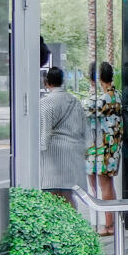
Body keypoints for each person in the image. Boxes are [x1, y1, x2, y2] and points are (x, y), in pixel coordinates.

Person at [34, 64, 88, 197]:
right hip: (74, 154)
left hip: (53, 157)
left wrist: (37, 151)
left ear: (46, 83)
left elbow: (45, 133)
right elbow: (85, 129)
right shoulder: (75, 101)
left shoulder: (45, 102)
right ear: (62, 81)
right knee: (69, 195)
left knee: (52, 195)